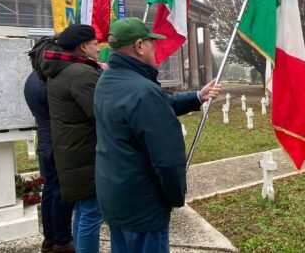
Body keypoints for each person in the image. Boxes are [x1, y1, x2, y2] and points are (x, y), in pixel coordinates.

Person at [94, 18, 221, 253]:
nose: (156, 48)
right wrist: (175, 196)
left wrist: (197, 96)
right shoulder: (142, 91)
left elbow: (157, 105)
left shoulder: (108, 81)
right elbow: (167, 159)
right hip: (143, 204)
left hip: (115, 193)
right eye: (153, 43)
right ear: (140, 46)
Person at [41, 24, 104, 253]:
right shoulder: (81, 73)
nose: (98, 49)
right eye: (95, 44)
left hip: (71, 151)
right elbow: (100, 111)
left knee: (83, 210)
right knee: (91, 213)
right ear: (83, 46)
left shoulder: (60, 71)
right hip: (85, 153)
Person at [24, 36, 75, 253]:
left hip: (45, 142)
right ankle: (62, 241)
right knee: (62, 194)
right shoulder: (48, 81)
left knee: (51, 192)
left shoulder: (31, 79)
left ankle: (50, 238)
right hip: (57, 144)